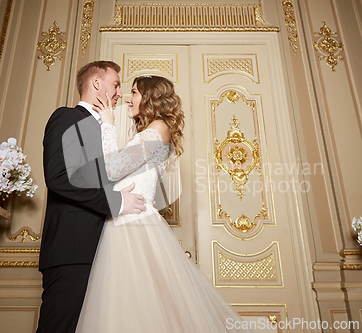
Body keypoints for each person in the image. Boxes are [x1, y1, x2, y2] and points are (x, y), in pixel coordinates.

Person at [75, 75, 253, 332]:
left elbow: (112, 169)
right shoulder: (149, 130)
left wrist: (108, 125)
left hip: (134, 225)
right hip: (123, 219)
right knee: (128, 306)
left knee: (146, 304)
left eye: (134, 92)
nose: (128, 97)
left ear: (149, 98)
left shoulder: (158, 128)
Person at [37, 61, 148, 333]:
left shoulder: (106, 130)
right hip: (73, 250)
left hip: (104, 250)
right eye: (116, 84)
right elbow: (60, 176)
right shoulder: (67, 117)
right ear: (97, 84)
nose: (120, 93)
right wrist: (117, 202)